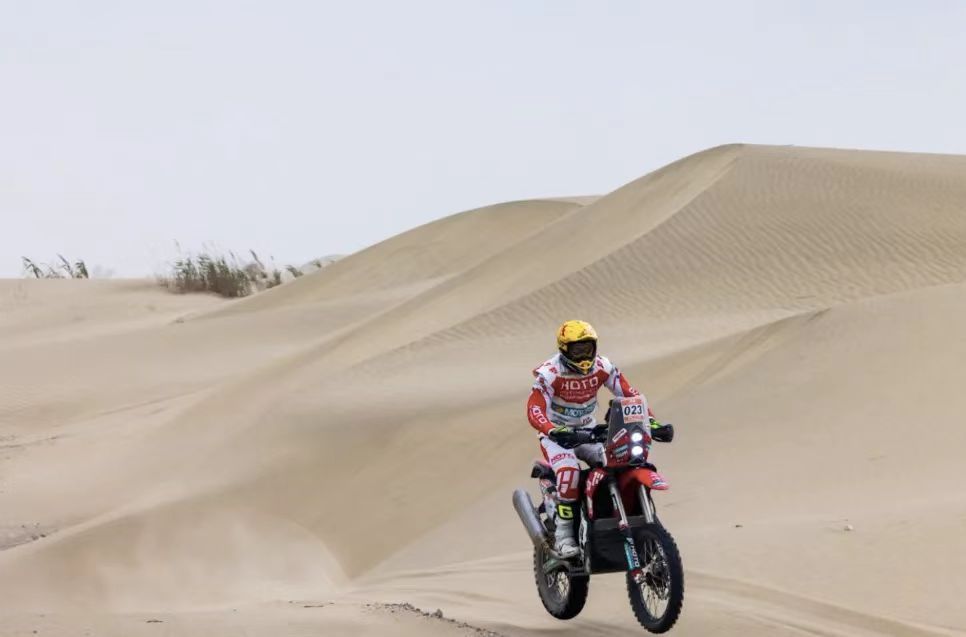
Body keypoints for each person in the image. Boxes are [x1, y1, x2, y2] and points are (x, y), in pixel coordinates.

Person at [526, 319, 669, 557]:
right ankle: (564, 536)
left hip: (588, 431)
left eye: (587, 347)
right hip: (558, 436)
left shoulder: (603, 367)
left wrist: (652, 422)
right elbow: (534, 409)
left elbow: (629, 394)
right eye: (577, 349)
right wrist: (551, 429)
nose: (583, 354)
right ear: (564, 349)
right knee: (569, 472)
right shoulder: (550, 373)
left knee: (619, 462)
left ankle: (614, 517)